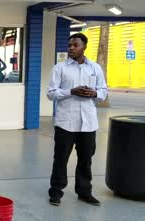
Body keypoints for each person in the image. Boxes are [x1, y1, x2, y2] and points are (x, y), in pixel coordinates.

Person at [47, 33, 108, 206]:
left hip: (88, 123)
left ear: (84, 47)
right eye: (70, 45)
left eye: (75, 45)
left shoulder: (94, 68)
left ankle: (84, 192)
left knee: (86, 159)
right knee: (61, 159)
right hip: (66, 123)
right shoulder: (60, 68)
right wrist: (71, 91)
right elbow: (51, 94)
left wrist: (95, 93)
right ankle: (56, 192)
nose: (71, 48)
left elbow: (103, 91)